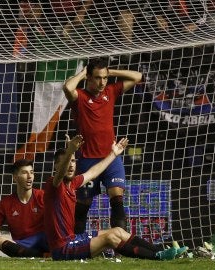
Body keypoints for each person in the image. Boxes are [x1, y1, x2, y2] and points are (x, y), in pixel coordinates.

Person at [43, 134, 187, 260]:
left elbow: (93, 172)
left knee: (118, 231)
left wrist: (113, 154)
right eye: (67, 162)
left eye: (73, 161)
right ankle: (157, 257)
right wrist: (70, 151)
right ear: (56, 166)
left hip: (73, 239)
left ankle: (162, 251)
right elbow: (60, 174)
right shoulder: (53, 184)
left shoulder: (73, 183)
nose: (71, 165)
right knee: (110, 238)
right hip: (62, 248)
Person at [63, 57, 142, 234]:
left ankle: (120, 248)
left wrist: (110, 72)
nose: (102, 82)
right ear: (89, 78)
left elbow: (137, 76)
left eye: (105, 78)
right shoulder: (80, 97)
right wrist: (83, 73)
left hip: (111, 157)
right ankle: (76, 245)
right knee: (83, 206)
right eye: (97, 78)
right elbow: (67, 87)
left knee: (117, 199)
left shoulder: (110, 91)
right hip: (87, 160)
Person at [0, 159, 49, 258]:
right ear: (15, 177)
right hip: (23, 245)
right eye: (24, 173)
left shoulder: (43, 196)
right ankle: (40, 256)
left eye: (31, 172)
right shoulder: (5, 203)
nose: (29, 176)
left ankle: (43, 254)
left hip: (44, 240)